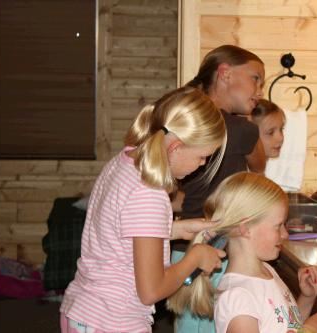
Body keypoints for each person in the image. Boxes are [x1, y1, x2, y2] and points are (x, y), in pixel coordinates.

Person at [59, 87, 228, 333]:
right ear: (176, 147)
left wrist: (175, 230)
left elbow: (119, 232)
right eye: (202, 157)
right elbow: (151, 290)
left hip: (84, 311)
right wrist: (195, 258)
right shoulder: (150, 193)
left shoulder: (125, 162)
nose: (202, 165)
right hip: (113, 322)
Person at [168, 172, 317, 333]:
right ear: (245, 228)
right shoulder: (238, 298)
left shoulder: (267, 271)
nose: (285, 234)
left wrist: (307, 299)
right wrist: (311, 330)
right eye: (278, 225)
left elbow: (289, 327)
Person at [178, 44, 267, 219]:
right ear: (225, 73)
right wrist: (247, 118)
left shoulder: (188, 118)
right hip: (212, 239)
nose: (260, 92)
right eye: (255, 79)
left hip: (185, 236)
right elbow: (259, 166)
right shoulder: (240, 129)